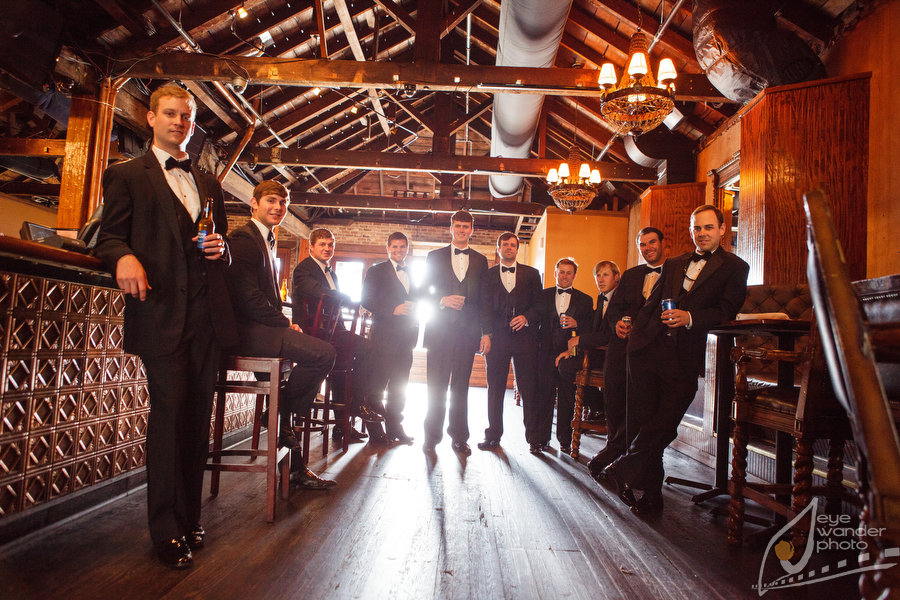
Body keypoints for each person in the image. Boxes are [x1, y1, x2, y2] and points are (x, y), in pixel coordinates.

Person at [95, 83, 238, 569]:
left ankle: (190, 517)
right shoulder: (127, 176)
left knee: (198, 424)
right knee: (170, 419)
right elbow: (104, 235)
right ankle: (165, 530)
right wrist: (125, 256)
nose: (179, 122)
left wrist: (223, 250)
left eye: (187, 116)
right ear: (151, 117)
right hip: (160, 317)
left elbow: (219, 248)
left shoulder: (210, 183)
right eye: (171, 114)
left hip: (206, 319)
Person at [604, 206, 749, 515]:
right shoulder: (673, 263)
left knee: (663, 423)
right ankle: (650, 498)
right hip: (644, 351)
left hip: (684, 355)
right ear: (691, 231)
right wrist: (635, 337)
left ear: (723, 229)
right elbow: (652, 303)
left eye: (709, 227)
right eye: (697, 228)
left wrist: (690, 317)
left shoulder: (736, 267)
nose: (703, 233)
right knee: (643, 422)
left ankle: (623, 468)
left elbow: (726, 311)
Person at [225, 180, 337, 491]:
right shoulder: (244, 239)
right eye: (271, 201)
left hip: (264, 330)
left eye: (282, 203)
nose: (278, 207)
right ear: (254, 203)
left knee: (297, 379)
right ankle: (281, 412)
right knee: (324, 353)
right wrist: (284, 323)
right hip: (248, 334)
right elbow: (246, 296)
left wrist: (282, 321)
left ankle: (290, 448)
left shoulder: (265, 238)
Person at [572, 228, 666, 477]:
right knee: (613, 398)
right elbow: (614, 312)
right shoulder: (631, 276)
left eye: (651, 242)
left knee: (642, 405)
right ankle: (613, 447)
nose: (647, 248)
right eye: (642, 244)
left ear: (662, 243)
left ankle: (635, 458)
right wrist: (618, 325)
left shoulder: (673, 273)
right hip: (621, 348)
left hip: (654, 350)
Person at [291, 227, 382, 441]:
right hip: (314, 334)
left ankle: (342, 426)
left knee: (344, 367)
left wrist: (350, 303)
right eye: (322, 244)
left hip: (333, 332)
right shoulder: (304, 269)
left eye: (330, 245)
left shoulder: (331, 272)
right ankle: (359, 404)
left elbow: (335, 301)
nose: (327, 249)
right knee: (369, 349)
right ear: (311, 247)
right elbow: (320, 292)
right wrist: (349, 299)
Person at [422, 211, 488, 455]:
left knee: (461, 387)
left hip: (467, 333)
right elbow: (422, 290)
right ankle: (431, 436)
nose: (462, 230)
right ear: (451, 228)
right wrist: (442, 299)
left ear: (472, 230)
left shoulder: (481, 260)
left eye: (466, 227)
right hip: (438, 332)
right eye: (458, 226)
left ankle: (459, 437)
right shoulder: (433, 256)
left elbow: (484, 300)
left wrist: (485, 332)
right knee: (435, 386)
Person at [478, 232, 543, 454]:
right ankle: (493, 435)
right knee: (495, 388)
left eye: (513, 245)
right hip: (497, 339)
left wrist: (527, 318)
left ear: (517, 249)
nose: (509, 247)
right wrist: (485, 333)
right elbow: (483, 307)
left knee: (528, 387)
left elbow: (539, 305)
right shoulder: (487, 276)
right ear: (498, 249)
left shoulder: (532, 274)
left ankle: (534, 438)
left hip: (525, 339)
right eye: (504, 244)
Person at [361, 232, 418, 444]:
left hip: (407, 338)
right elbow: (366, 300)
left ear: (407, 249)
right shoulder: (376, 271)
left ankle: (395, 427)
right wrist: (392, 310)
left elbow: (419, 297)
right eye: (394, 247)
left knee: (400, 385)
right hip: (383, 336)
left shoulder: (412, 272)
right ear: (388, 248)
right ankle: (375, 432)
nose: (398, 251)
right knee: (377, 384)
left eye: (402, 247)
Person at [536, 258, 593, 454]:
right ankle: (540, 440)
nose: (565, 276)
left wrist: (577, 324)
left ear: (575, 275)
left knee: (567, 398)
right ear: (555, 273)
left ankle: (564, 441)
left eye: (569, 272)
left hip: (570, 357)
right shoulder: (542, 295)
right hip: (544, 353)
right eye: (561, 272)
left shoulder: (586, 300)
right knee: (543, 397)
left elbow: (593, 328)